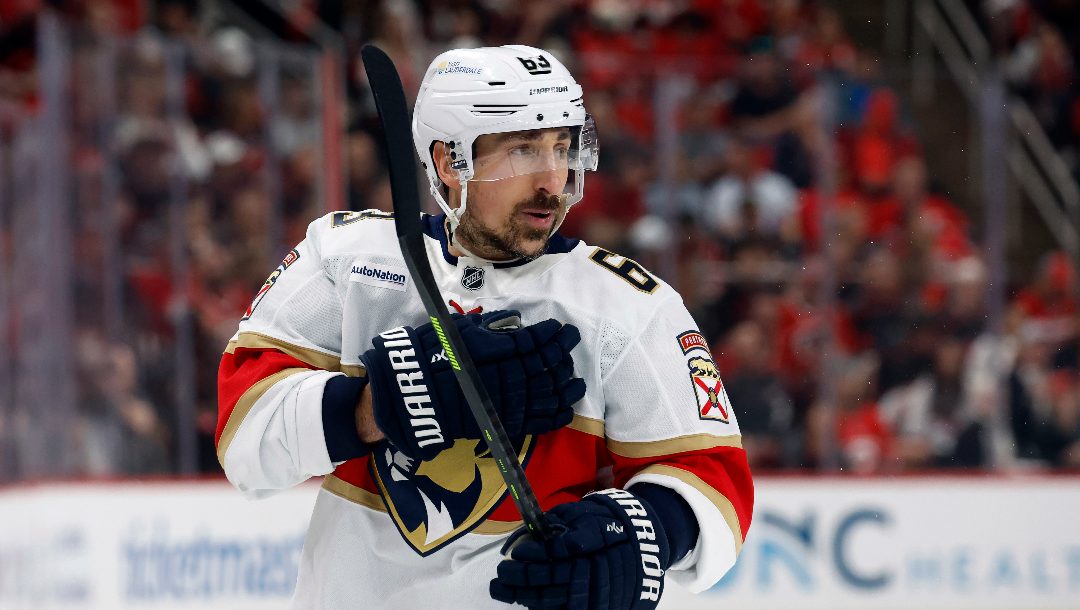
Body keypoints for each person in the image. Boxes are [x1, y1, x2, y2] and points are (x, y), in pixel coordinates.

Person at [216, 45, 754, 609]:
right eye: (523, 150)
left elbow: (715, 482)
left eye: (562, 148)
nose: (553, 178)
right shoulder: (345, 260)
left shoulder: (627, 307)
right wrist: (376, 407)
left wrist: (639, 536)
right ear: (450, 162)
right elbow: (245, 443)